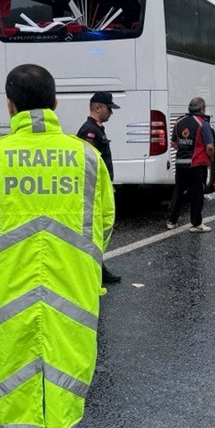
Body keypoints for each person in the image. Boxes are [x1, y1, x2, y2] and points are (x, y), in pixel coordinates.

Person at [0, 64, 115, 428]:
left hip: (0, 302)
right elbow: (104, 224)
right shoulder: (86, 157)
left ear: (9, 105)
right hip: (71, 299)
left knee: (6, 391)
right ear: (55, 104)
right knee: (61, 395)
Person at [77, 92, 122, 285]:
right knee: (94, 231)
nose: (111, 112)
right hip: (92, 191)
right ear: (97, 108)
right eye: (108, 108)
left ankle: (98, 269)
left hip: (98, 189)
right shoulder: (90, 131)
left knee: (98, 231)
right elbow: (88, 163)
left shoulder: (96, 129)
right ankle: (94, 270)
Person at [166, 97, 215, 232]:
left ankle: (172, 220)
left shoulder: (179, 122)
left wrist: (184, 150)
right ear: (202, 109)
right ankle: (196, 224)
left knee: (178, 191)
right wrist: (210, 159)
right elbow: (210, 147)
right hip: (197, 164)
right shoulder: (203, 124)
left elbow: (174, 143)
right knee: (197, 193)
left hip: (180, 163)